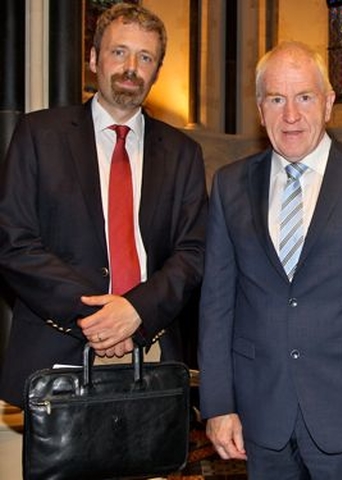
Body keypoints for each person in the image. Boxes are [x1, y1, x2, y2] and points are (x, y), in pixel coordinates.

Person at [198, 41, 342, 479]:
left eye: (304, 97)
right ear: (260, 109)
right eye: (277, 100)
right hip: (261, 413)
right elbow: (216, 304)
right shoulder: (229, 186)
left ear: (328, 104)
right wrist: (219, 403)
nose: (291, 115)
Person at [0, 3, 207, 408]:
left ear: (156, 71)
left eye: (145, 57)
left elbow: (194, 252)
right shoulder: (39, 135)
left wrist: (136, 311)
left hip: (150, 352)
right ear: (94, 59)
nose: (131, 67)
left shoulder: (184, 152)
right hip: (57, 352)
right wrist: (102, 316)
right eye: (119, 52)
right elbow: (14, 243)